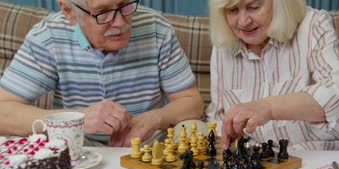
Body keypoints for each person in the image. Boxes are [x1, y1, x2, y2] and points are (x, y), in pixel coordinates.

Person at [0, 0, 204, 147]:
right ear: (69, 11)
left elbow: (192, 102)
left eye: (125, 5)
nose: (120, 22)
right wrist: (75, 119)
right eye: (103, 12)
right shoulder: (47, 37)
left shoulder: (157, 28)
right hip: (80, 147)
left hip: (148, 144)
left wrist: (155, 118)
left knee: (197, 130)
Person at [206, 0, 339, 150]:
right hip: (264, 159)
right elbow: (218, 118)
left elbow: (338, 95)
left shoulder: (313, 24)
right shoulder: (223, 46)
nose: (243, 21)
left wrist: (268, 108)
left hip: (321, 152)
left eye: (253, 7)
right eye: (232, 10)